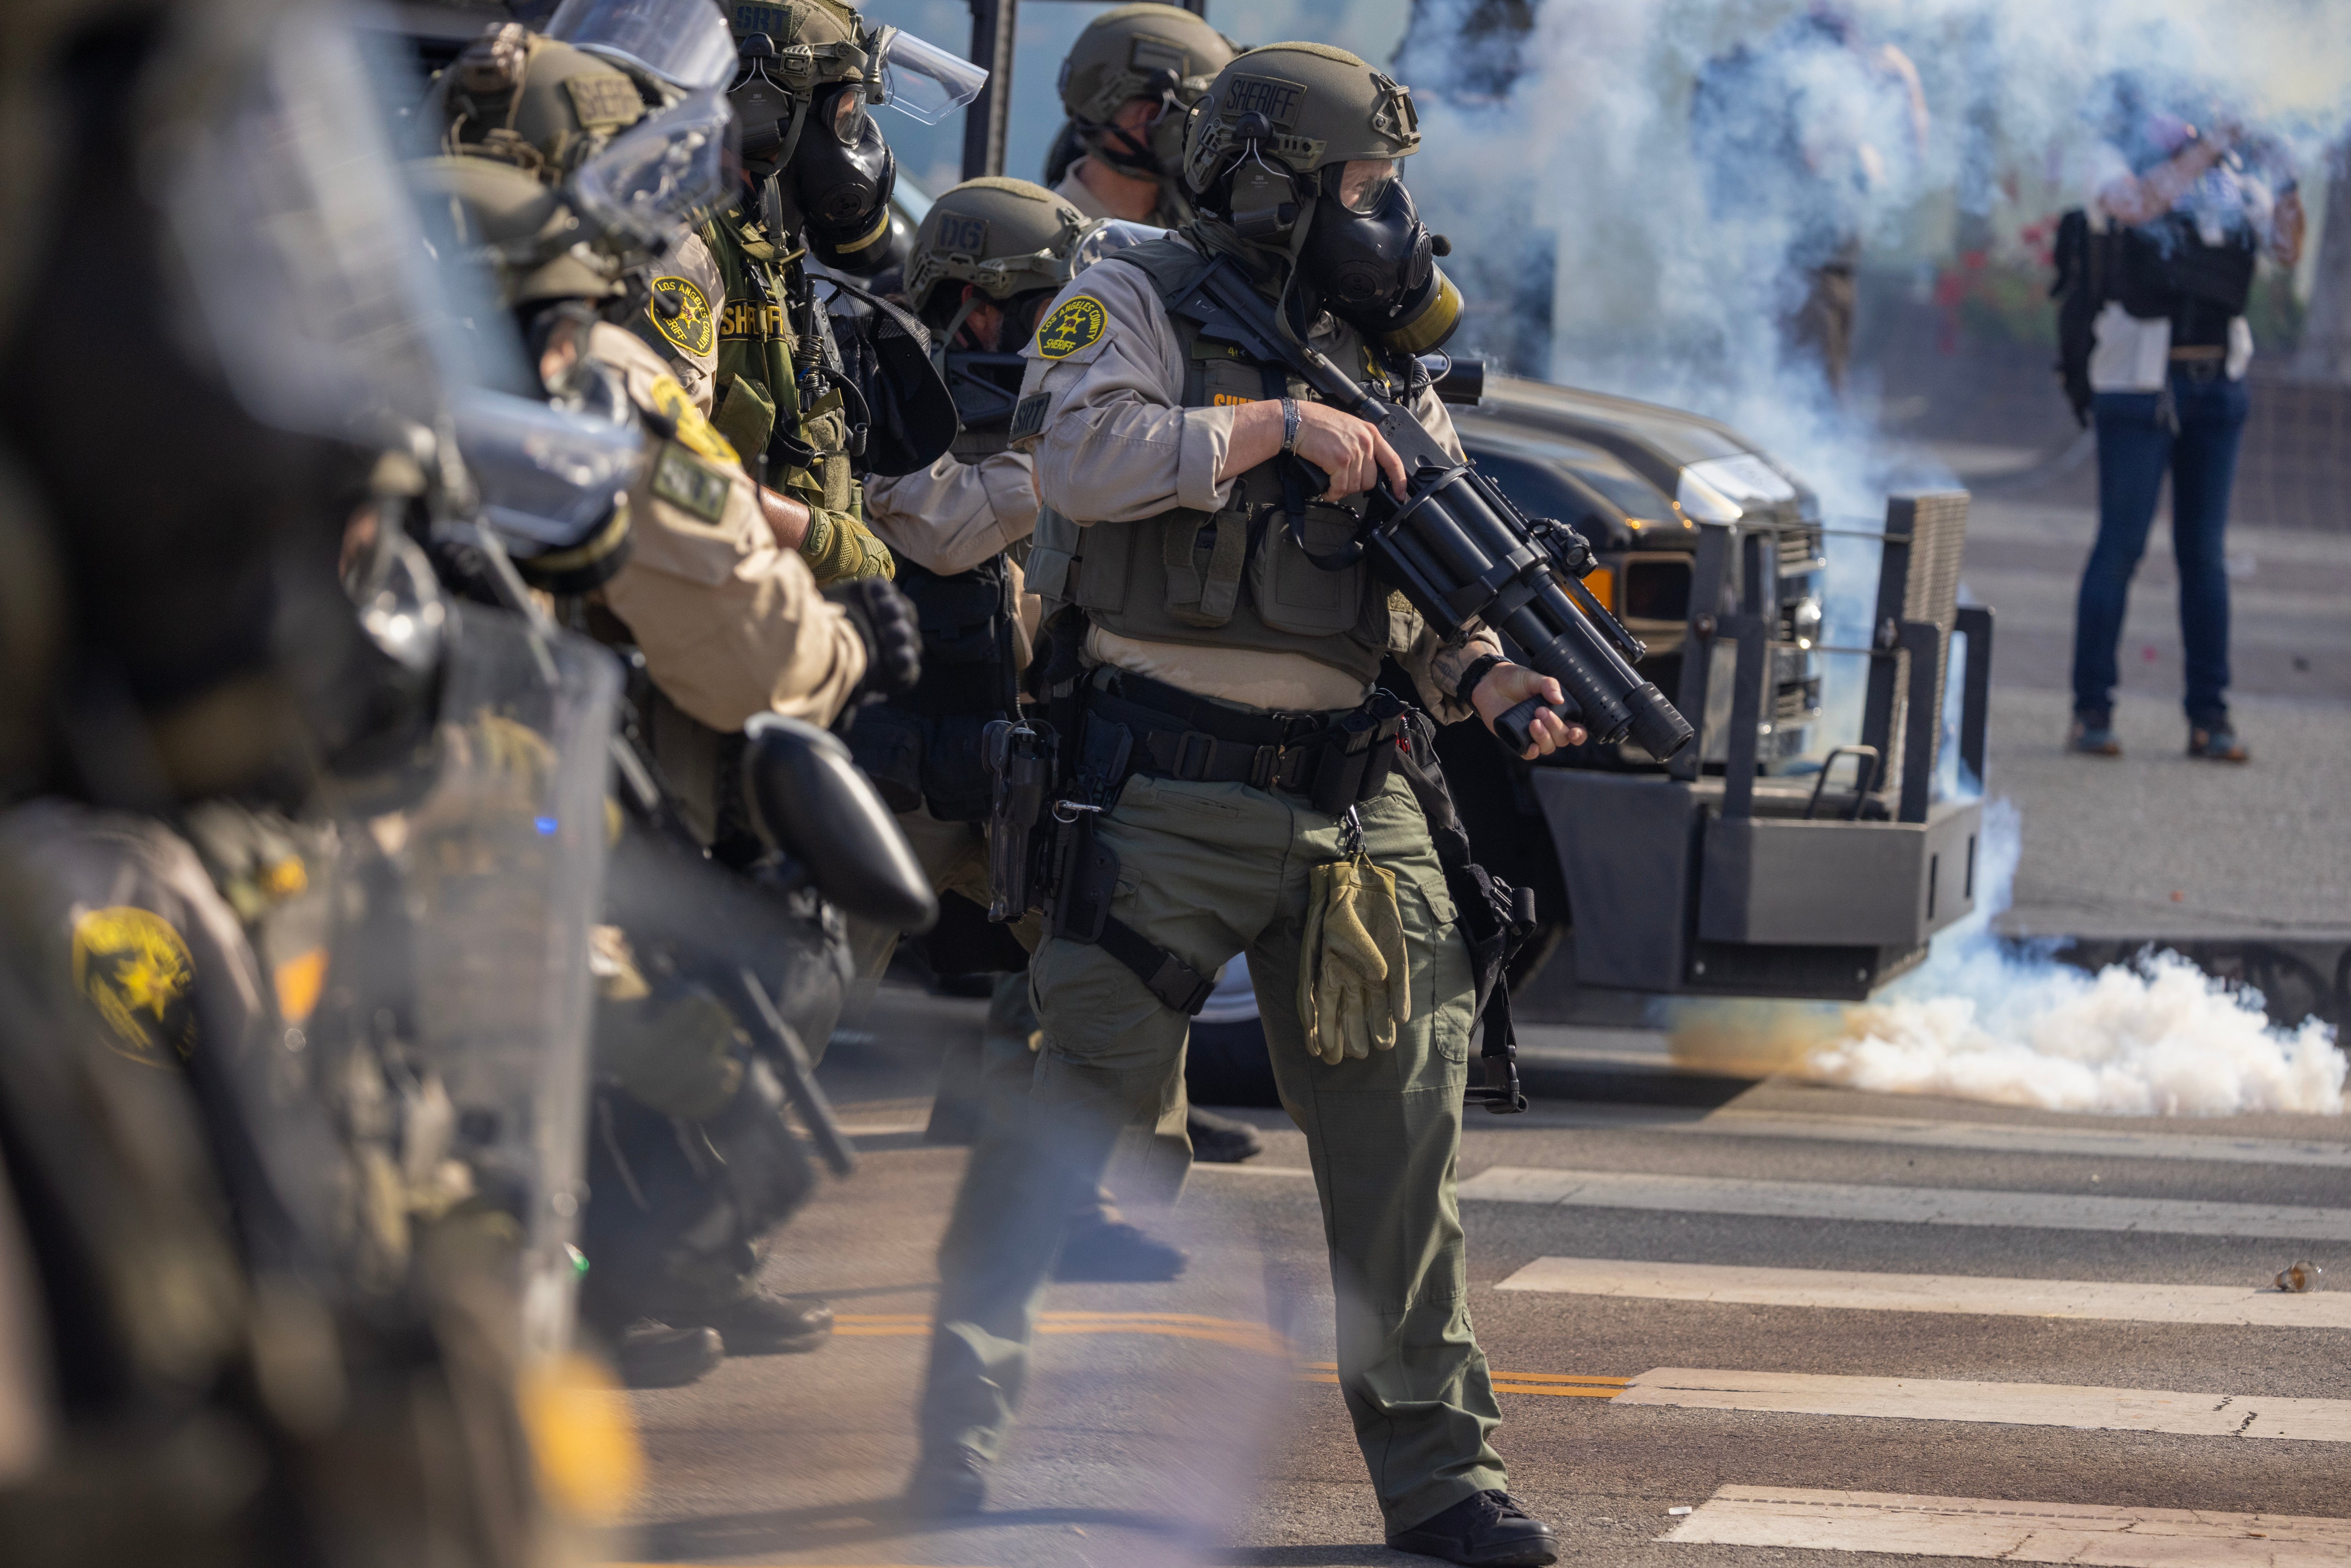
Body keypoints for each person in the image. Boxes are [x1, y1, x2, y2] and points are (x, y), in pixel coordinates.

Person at [908, 45, 1575, 1566]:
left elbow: (1440, 575)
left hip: (1358, 801)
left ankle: (1442, 1475)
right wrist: (1274, 430)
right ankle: (959, 1435)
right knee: (1070, 1130)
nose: (1390, 215)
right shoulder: (1131, 296)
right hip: (1157, 790)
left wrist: (1494, 683)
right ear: (1273, 179)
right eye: (1363, 183)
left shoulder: (1380, 349)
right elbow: (1075, 457)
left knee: (1405, 1146)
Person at [413, 19, 923, 1385]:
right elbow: (742, 628)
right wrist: (842, 643)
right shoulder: (595, 367)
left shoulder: (294, 324)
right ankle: (624, 1276)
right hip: (557, 758)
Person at [2063, 87, 2304, 762]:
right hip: (2139, 388)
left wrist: (2287, 179)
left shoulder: (2234, 171)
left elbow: (2285, 247)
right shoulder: (2112, 150)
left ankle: (2210, 715)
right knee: (2122, 546)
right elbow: (2135, 205)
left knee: (2205, 557)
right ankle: (2092, 710)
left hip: (2217, 385)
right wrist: (2207, 148)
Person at [1689, 1, 1926, 394]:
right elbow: (1815, 152)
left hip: (1826, 251)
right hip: (1802, 251)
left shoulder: (1858, 56)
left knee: (1808, 378)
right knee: (1805, 383)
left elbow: (1904, 158)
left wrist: (1900, 87)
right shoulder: (1810, 50)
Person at [1045, 2, 1236, 226]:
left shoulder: (1201, 225)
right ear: (1151, 118)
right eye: (1201, 114)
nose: (1212, 135)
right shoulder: (1046, 245)